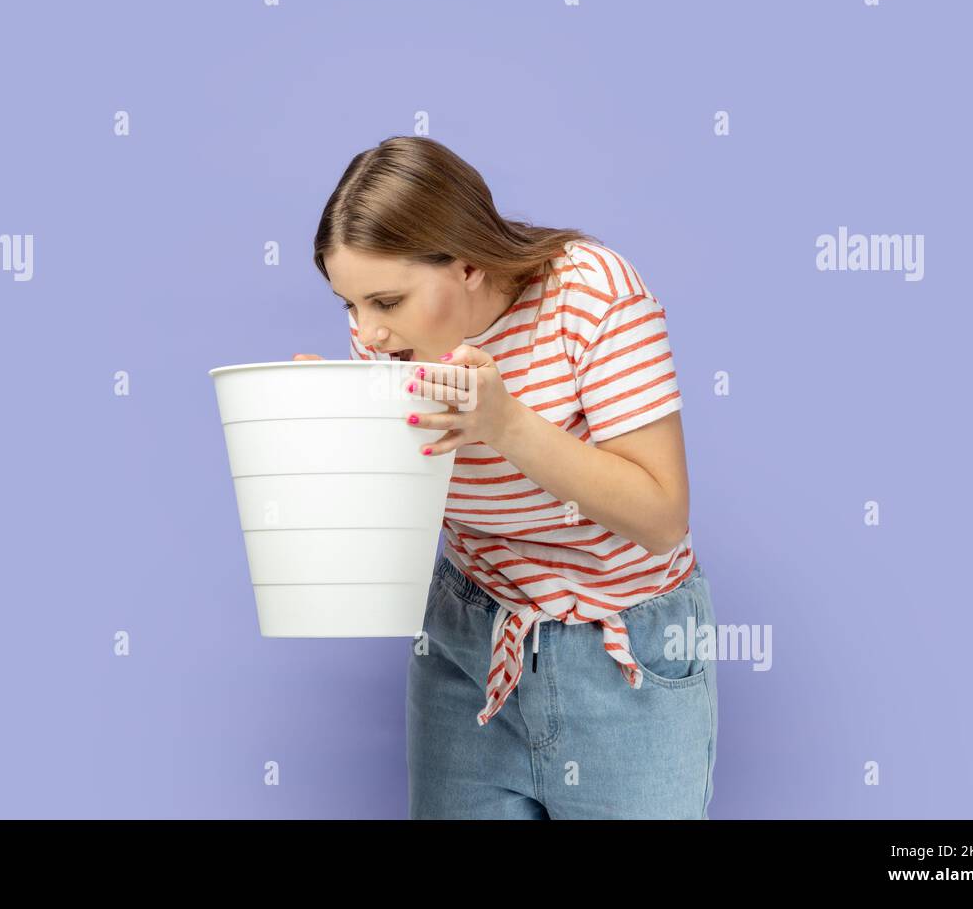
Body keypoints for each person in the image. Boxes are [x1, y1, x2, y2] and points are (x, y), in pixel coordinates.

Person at [294, 135, 717, 819]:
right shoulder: (387, 343)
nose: (367, 334)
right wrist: (332, 436)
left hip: (626, 657)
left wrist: (508, 425)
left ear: (464, 263)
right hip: (469, 642)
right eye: (350, 305)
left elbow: (662, 517)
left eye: (386, 302)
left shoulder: (591, 294)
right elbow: (397, 508)